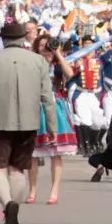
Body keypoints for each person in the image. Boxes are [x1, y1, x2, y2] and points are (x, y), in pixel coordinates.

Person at [0, 21, 58, 224]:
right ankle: (13, 209)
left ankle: (8, 204)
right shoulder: (38, 62)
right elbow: (47, 98)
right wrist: (52, 126)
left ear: (3, 39)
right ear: (23, 39)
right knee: (18, 169)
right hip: (29, 123)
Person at [29, 33, 78, 204]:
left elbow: (70, 73)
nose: (46, 49)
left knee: (56, 153)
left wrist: (57, 53)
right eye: (42, 46)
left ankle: (54, 190)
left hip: (55, 107)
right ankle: (32, 190)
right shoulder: (32, 62)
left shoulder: (57, 66)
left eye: (48, 45)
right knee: (32, 153)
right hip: (35, 106)